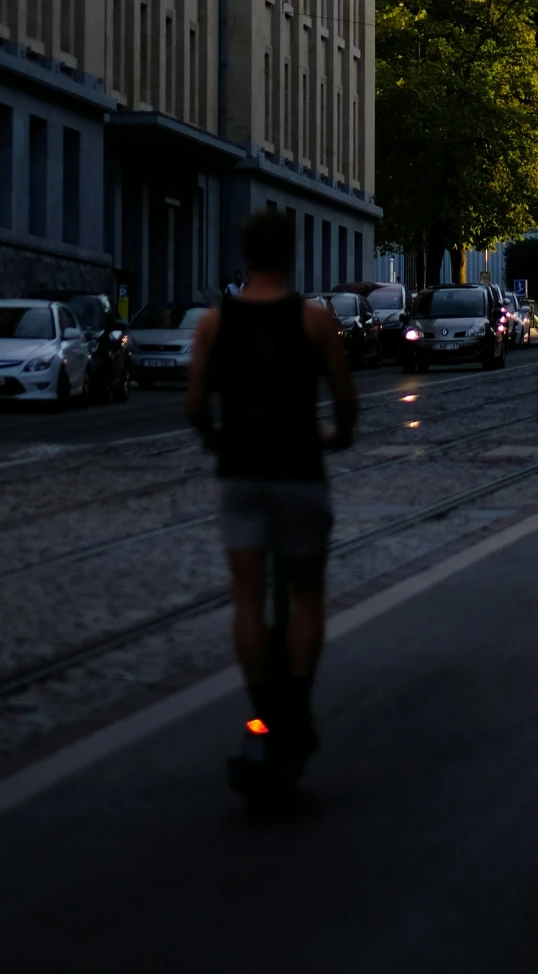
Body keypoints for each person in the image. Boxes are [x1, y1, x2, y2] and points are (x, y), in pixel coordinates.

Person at [186, 207, 356, 787]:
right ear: (290, 256)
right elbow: (345, 401)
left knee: (246, 596)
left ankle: (260, 708)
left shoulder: (214, 323)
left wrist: (216, 441)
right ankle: (298, 707)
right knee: (306, 596)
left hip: (241, 473)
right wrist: (335, 436)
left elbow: (194, 405)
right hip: (299, 471)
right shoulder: (316, 321)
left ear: (244, 255)